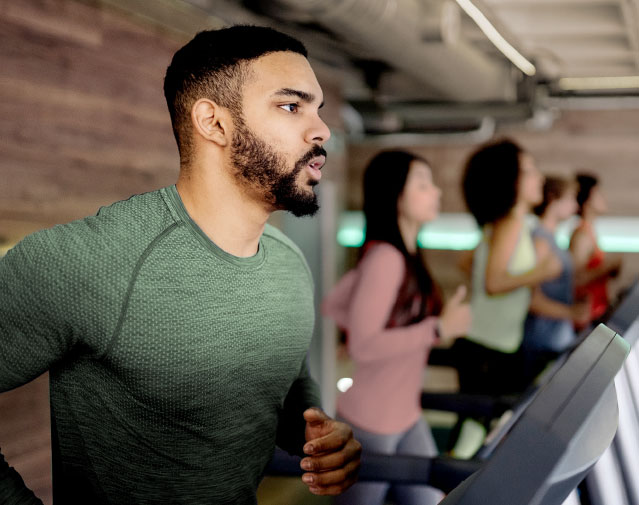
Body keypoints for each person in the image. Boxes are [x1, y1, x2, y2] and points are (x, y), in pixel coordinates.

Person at [0, 26, 361, 504]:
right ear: (214, 123)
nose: (322, 130)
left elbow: (287, 381)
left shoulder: (289, 264)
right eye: (291, 106)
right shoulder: (87, 261)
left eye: (318, 109)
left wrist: (318, 433)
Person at [322, 150, 471, 505]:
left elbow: (334, 305)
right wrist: (436, 329)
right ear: (395, 195)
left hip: (405, 415)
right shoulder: (385, 259)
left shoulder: (402, 255)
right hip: (371, 423)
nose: (435, 192)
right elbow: (363, 346)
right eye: (422, 184)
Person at [456, 139, 561, 396]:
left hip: (495, 344)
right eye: (529, 170)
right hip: (487, 347)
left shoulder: (513, 224)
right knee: (477, 431)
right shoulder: (510, 223)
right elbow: (493, 283)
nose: (539, 177)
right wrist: (542, 271)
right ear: (509, 179)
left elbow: (468, 262)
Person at [522, 176, 589, 381]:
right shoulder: (540, 241)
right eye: (570, 198)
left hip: (555, 335)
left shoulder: (550, 238)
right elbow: (532, 299)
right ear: (553, 199)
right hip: (543, 339)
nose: (575, 205)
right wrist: (571, 312)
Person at [569, 173, 622, 328]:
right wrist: (607, 266)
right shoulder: (582, 235)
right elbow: (576, 279)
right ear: (587, 200)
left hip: (596, 312)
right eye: (598, 193)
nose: (604, 197)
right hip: (587, 318)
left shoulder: (590, 232)